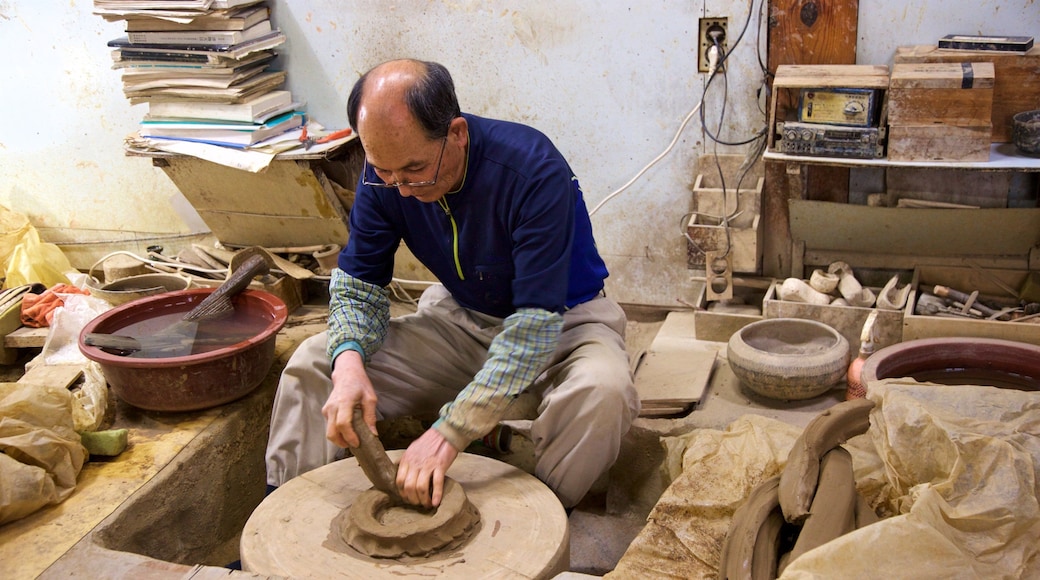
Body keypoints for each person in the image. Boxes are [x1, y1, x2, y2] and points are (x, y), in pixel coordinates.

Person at [265, 58, 640, 510]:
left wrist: (447, 435)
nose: (400, 188)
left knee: (604, 393)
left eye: (414, 170)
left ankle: (543, 519)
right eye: (384, 171)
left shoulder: (533, 171)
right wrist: (347, 365)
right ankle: (285, 519)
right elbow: (358, 285)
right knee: (314, 364)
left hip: (563, 324)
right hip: (462, 320)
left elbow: (532, 332)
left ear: (456, 134)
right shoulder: (385, 174)